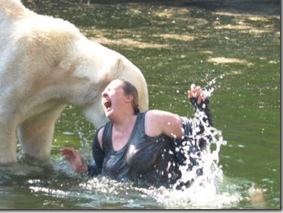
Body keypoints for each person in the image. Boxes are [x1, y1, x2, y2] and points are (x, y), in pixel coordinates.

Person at [61, 79, 214, 188]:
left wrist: (201, 107)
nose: (104, 95)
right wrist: (84, 169)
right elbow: (102, 176)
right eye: (103, 93)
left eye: (110, 90)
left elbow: (200, 137)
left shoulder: (154, 120)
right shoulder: (102, 137)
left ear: (129, 97)